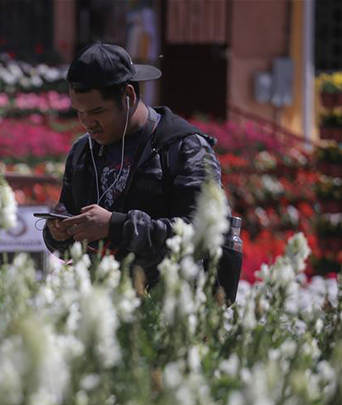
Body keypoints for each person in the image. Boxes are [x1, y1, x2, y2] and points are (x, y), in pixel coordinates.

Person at [43, 42, 240, 300]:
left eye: (97, 111)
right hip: (100, 308)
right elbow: (70, 243)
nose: (87, 123)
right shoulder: (82, 151)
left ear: (129, 95)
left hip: (170, 308)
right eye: (79, 113)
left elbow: (202, 235)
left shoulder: (184, 147)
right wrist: (58, 233)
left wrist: (116, 225)